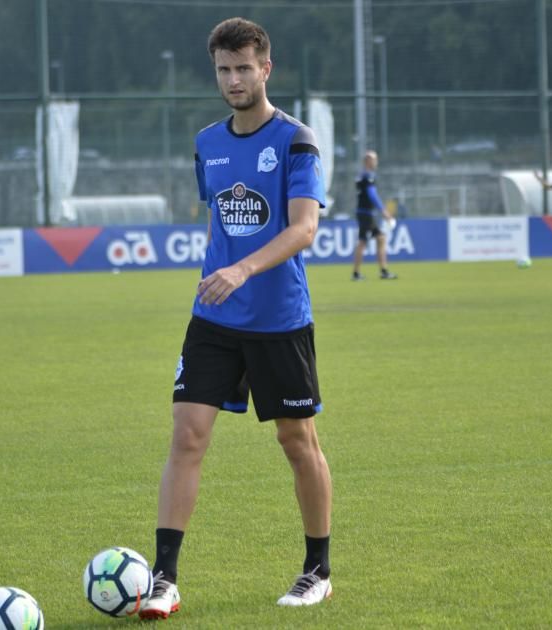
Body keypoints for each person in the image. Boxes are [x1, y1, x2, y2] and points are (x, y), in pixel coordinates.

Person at [140, 17, 333, 620]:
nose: (234, 80)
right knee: (187, 435)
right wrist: (219, 273)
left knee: (296, 441)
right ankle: (164, 580)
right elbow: (219, 220)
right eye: (224, 70)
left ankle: (317, 570)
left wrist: (243, 270)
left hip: (278, 319)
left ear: (266, 68)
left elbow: (304, 228)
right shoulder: (207, 143)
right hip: (215, 317)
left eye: (244, 68)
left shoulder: (297, 141)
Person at [352, 150, 398, 280]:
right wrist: (383, 211)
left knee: (380, 238)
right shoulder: (368, 176)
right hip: (366, 213)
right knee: (363, 242)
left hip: (364, 213)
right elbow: (372, 195)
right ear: (368, 161)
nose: (376, 162)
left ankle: (383, 271)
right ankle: (356, 273)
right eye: (374, 159)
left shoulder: (361, 175)